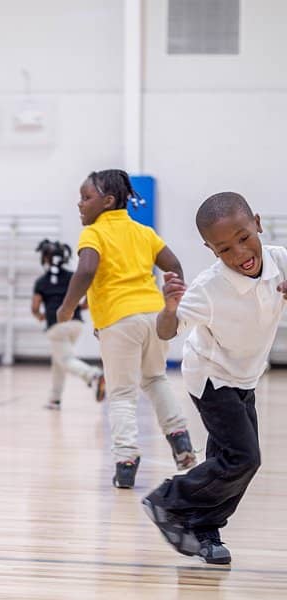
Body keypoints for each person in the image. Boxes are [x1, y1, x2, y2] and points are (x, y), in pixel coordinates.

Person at [143, 192, 287, 565]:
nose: (240, 253)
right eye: (224, 249)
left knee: (230, 458)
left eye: (243, 237)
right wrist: (169, 308)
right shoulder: (209, 288)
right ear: (212, 251)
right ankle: (167, 500)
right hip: (210, 376)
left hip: (246, 375)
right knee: (243, 458)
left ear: (257, 222)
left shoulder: (279, 261)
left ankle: (206, 530)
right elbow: (165, 332)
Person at [57, 169, 196, 489]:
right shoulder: (143, 231)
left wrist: (66, 308)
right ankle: (181, 443)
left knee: (121, 394)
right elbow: (173, 265)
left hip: (120, 321)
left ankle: (125, 461)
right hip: (154, 315)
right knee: (156, 379)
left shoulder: (94, 233)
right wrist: (172, 290)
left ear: (107, 202)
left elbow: (87, 268)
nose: (80, 204)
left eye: (86, 197)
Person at [31, 238, 105, 410]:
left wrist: (40, 315)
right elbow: (88, 297)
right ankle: (54, 399)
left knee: (65, 359)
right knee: (59, 361)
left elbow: (35, 307)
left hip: (56, 326)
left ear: (46, 258)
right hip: (76, 325)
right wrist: (81, 306)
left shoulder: (42, 282)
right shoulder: (73, 277)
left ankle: (92, 375)